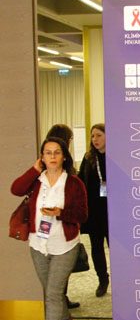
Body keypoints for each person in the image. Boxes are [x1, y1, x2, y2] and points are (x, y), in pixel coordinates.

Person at [10, 137, 88, 320]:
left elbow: (82, 215)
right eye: (48, 152)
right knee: (51, 290)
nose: (52, 156)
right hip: (38, 244)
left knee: (53, 293)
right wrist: (34, 170)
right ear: (42, 157)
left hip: (64, 245)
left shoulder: (73, 183)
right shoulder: (36, 181)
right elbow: (15, 189)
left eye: (57, 152)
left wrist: (60, 213)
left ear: (64, 156)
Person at [46, 124, 81, 309]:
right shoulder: (54, 166)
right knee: (55, 270)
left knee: (58, 269)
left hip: (60, 224)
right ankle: (60, 304)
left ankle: (61, 301)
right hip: (51, 225)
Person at [79, 124, 110, 297]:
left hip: (112, 212)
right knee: (97, 248)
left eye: (99, 135)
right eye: (92, 136)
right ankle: (102, 280)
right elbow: (81, 181)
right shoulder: (89, 158)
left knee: (115, 248)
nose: (95, 139)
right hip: (94, 212)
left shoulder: (115, 156)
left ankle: (121, 279)